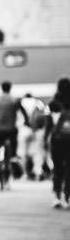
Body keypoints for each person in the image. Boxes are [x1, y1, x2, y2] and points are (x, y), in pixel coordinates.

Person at [0, 82, 27, 183]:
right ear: (10, 88)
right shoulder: (14, 100)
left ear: (2, 88)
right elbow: (23, 113)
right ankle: (13, 155)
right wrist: (27, 121)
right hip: (10, 130)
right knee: (12, 148)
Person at [47, 76, 70, 210]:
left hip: (57, 140)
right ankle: (68, 196)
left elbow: (49, 124)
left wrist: (45, 140)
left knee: (58, 168)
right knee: (69, 168)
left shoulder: (54, 103)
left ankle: (56, 197)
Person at [20, 92, 49, 181]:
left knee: (23, 153)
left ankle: (24, 173)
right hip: (37, 130)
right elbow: (46, 114)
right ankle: (37, 172)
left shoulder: (20, 102)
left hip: (24, 129)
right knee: (37, 152)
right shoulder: (38, 102)